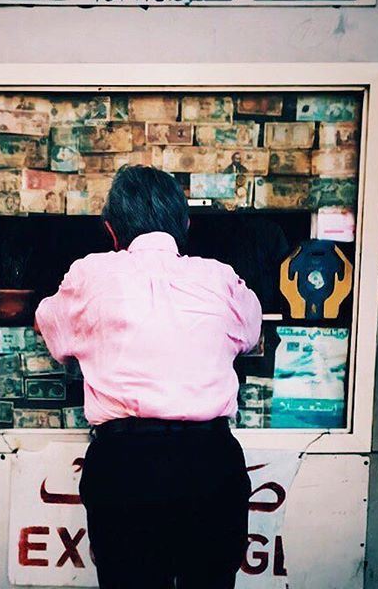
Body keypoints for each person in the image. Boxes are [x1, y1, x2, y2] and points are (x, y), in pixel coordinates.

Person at [35, 165, 262, 589]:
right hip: (211, 464)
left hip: (126, 469)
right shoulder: (221, 277)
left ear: (111, 232)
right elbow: (250, 335)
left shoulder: (90, 275)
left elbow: (51, 332)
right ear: (185, 226)